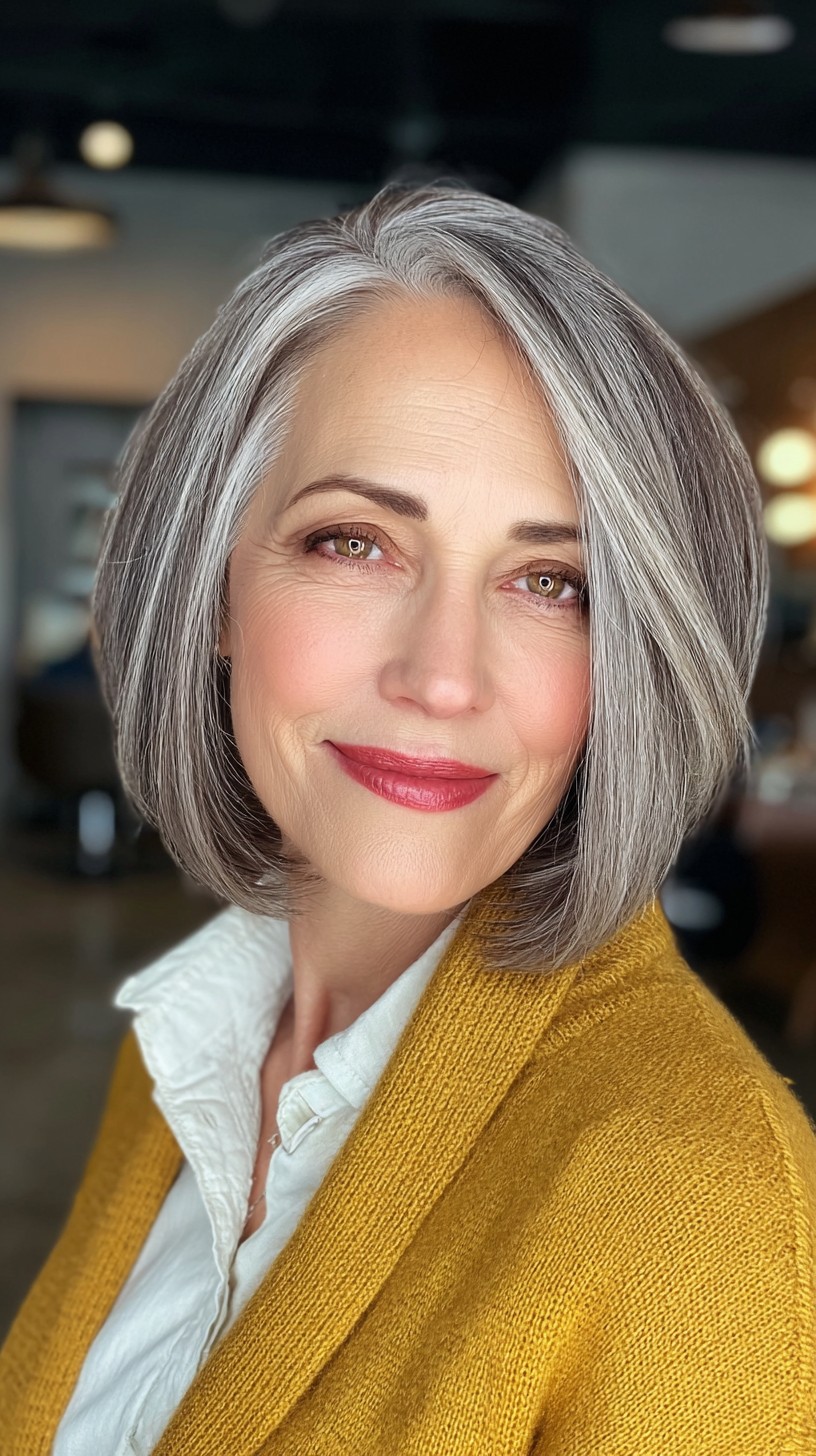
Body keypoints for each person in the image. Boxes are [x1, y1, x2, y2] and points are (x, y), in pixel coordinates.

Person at [2, 180, 814, 1455]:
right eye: (355, 544)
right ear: (213, 584)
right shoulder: (182, 1051)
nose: (444, 675)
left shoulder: (694, 1196)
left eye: (552, 581)